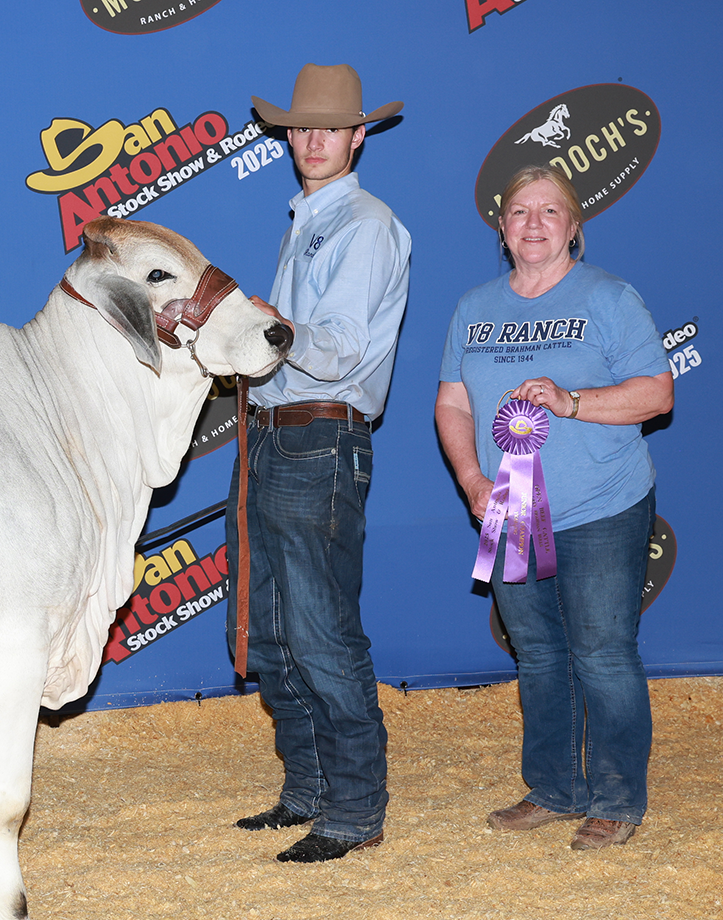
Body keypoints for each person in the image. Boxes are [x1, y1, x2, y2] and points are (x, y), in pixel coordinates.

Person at [435, 165, 672, 850]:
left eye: (549, 211)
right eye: (518, 212)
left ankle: (617, 797)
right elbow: (453, 402)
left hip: (602, 505)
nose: (533, 223)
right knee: (538, 652)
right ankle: (554, 787)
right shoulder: (474, 308)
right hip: (509, 503)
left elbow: (658, 394)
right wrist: (474, 478)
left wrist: (572, 403)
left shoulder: (609, 297)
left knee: (601, 651)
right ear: (502, 230)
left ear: (574, 226)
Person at [229, 64, 411, 863]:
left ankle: (355, 808)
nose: (311, 139)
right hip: (275, 433)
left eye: (328, 128)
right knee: (271, 627)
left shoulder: (365, 225)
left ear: (357, 136)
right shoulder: (308, 220)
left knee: (319, 629)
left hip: (318, 436)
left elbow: (334, 350)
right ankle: (307, 788)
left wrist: (272, 326)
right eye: (301, 127)